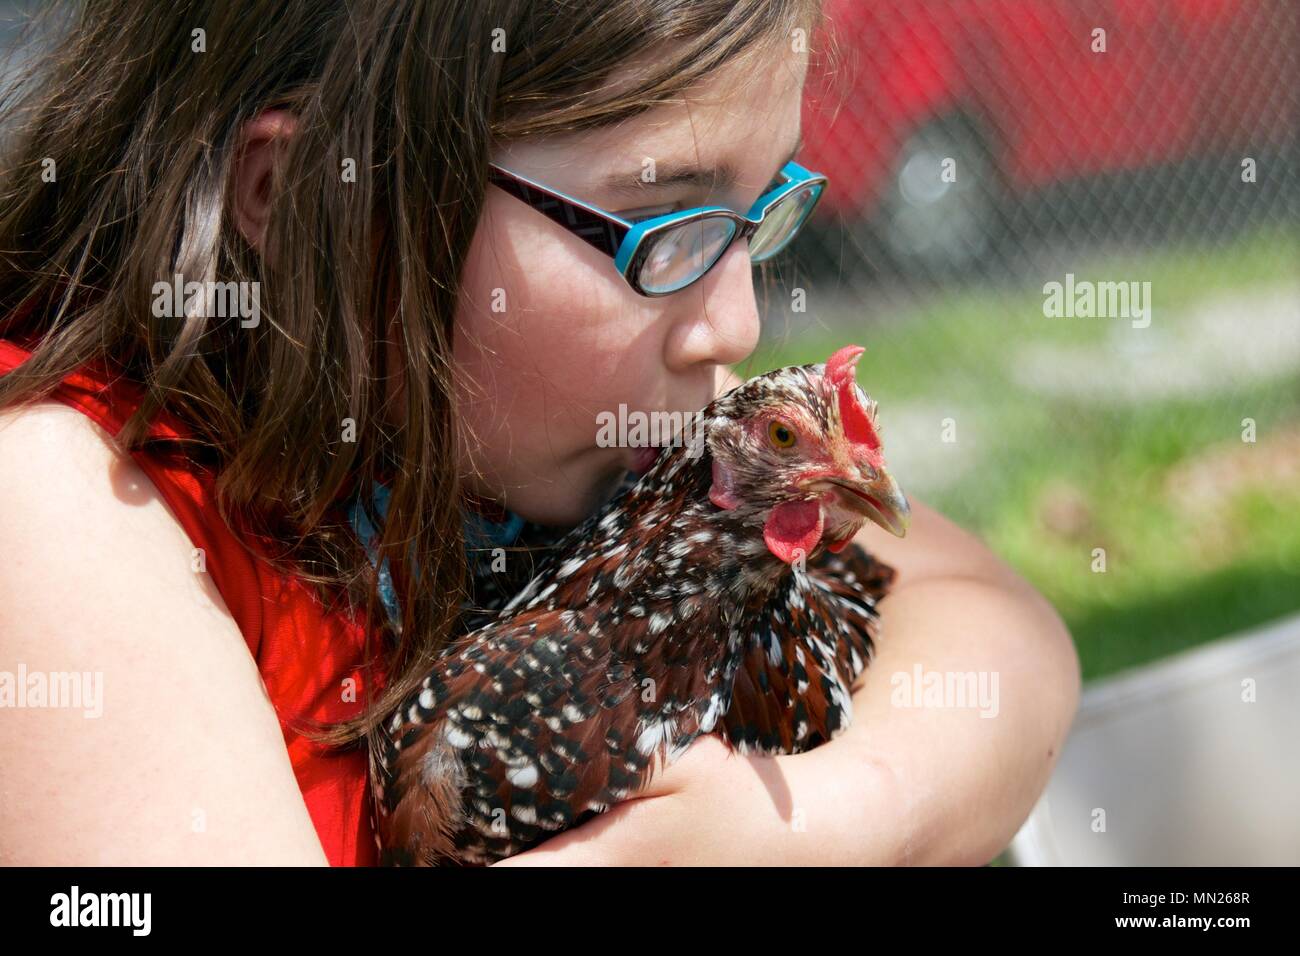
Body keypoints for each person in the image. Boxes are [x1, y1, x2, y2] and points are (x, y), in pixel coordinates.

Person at [0, 0, 1078, 865]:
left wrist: (809, 825)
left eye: (762, 212)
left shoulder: (602, 433)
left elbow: (995, 627)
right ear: (306, 199)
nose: (736, 322)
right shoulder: (62, 504)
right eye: (670, 224)